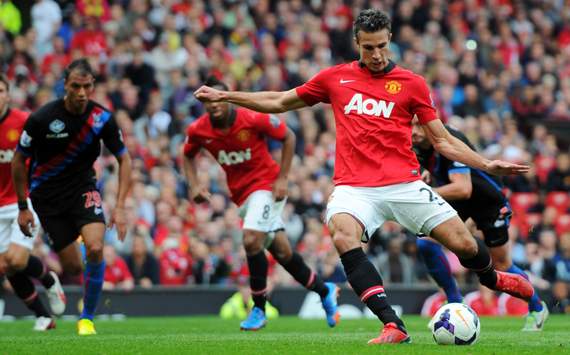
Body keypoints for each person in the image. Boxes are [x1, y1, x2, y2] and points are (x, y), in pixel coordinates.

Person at [194, 9, 534, 344]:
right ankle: (393, 325)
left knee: (464, 245)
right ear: (357, 43)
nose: (376, 54)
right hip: (354, 187)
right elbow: (281, 100)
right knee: (342, 235)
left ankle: (493, 278)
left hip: (405, 183)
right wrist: (227, 96)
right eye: (368, 47)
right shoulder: (335, 78)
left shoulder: (412, 84)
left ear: (390, 41)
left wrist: (485, 164)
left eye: (382, 46)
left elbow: (442, 140)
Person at [183, 76, 339, 331]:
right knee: (283, 253)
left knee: (251, 239)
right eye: (208, 102)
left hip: (267, 187)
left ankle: (258, 307)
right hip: (242, 196)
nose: (214, 106)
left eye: (218, 100)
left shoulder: (251, 118)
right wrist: (194, 185)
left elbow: (288, 137)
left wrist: (283, 178)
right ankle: (325, 290)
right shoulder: (199, 130)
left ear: (226, 98)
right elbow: (187, 155)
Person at [11, 59, 131, 335]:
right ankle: (51, 278)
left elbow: (125, 160)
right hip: (47, 199)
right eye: (75, 86)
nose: (81, 92)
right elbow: (19, 161)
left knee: (96, 247)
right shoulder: (42, 118)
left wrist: (121, 206)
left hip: (83, 190)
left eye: (87, 86)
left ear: (93, 86)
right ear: (65, 85)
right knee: (73, 266)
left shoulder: (102, 119)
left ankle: (86, 318)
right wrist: (23, 206)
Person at [412, 118, 549, 331]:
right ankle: (455, 302)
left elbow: (463, 187)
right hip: (459, 201)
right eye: (409, 125)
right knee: (425, 242)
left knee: (502, 266)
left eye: (418, 124)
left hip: (487, 200)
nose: (413, 131)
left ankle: (537, 307)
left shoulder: (450, 138)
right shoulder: (415, 145)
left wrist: (424, 192)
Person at [0, 73, 66, 331]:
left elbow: (46, 154)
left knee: (14, 261)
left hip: (22, 203)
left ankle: (49, 280)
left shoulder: (23, 121)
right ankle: (43, 316)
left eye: (1, 90)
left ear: (8, 94)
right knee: (7, 267)